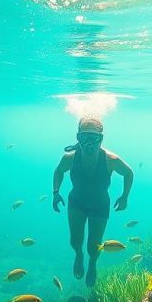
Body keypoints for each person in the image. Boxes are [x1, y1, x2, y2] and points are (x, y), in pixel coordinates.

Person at [52, 117, 133, 287]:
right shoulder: (70, 158)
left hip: (100, 206)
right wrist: (55, 192)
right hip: (77, 202)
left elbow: (128, 173)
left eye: (94, 138)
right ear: (78, 138)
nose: (89, 143)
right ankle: (79, 256)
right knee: (75, 241)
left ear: (101, 139)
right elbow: (59, 171)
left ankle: (92, 263)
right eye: (84, 138)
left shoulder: (111, 160)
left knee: (94, 246)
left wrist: (125, 196)